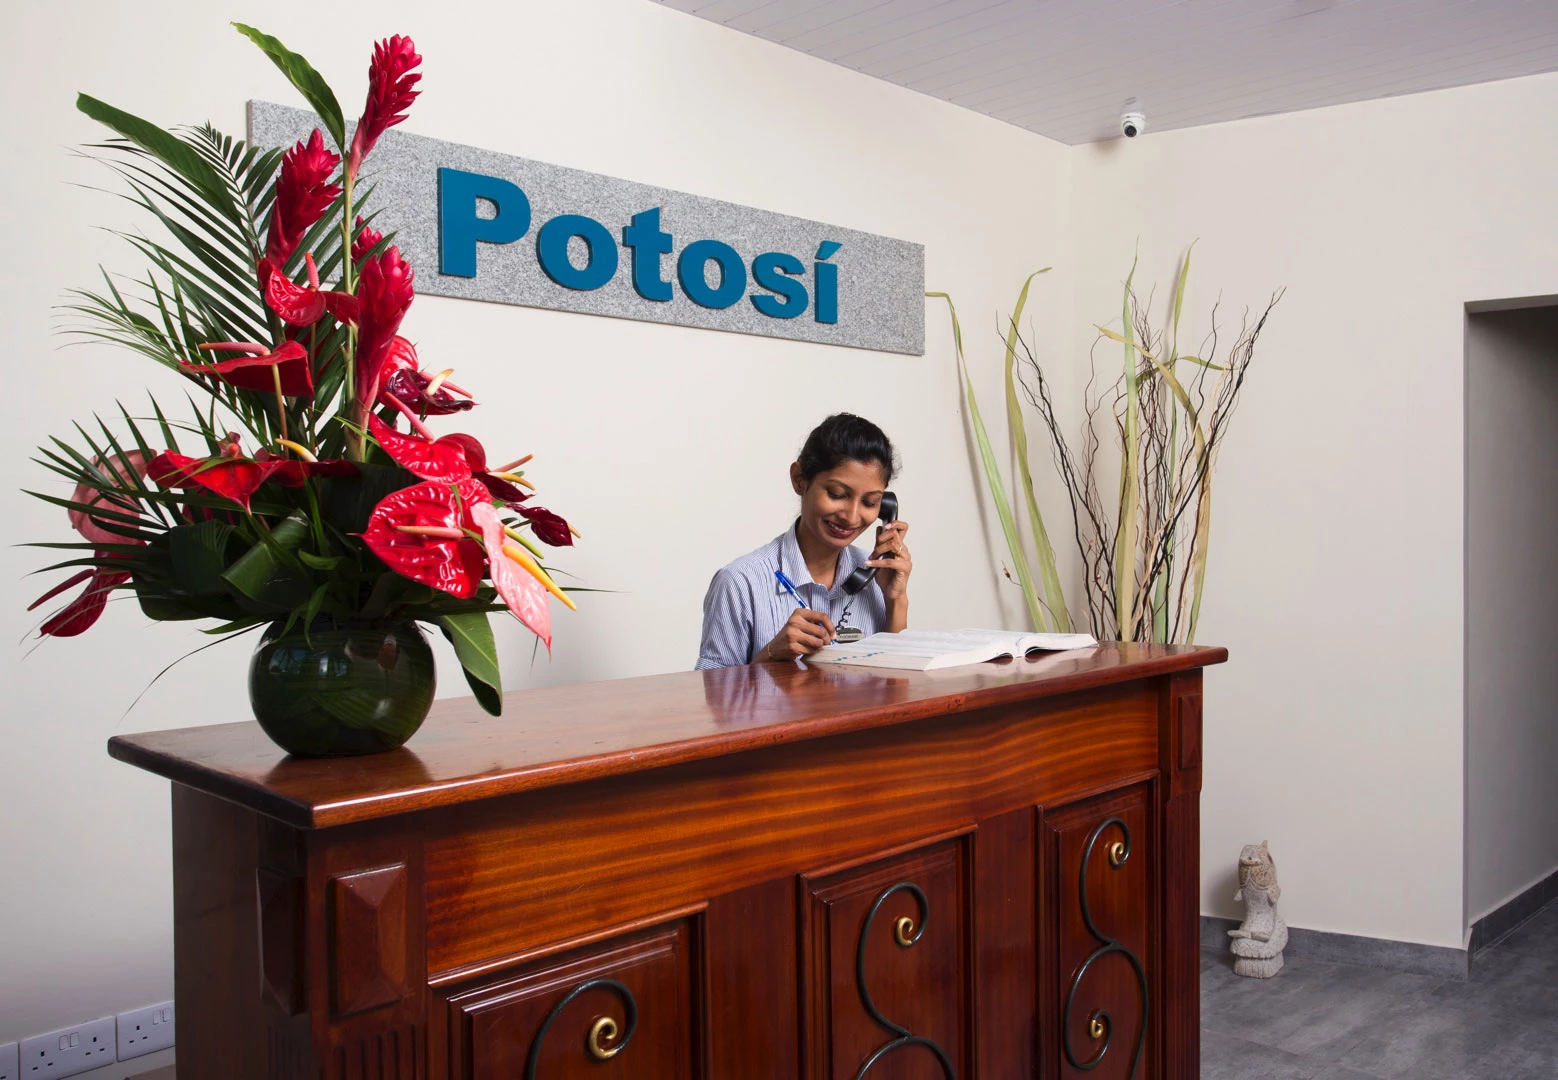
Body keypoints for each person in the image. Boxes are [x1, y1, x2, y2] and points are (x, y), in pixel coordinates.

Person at [696, 413, 912, 669]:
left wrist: (895, 599)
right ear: (800, 479)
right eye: (837, 494)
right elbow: (714, 700)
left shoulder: (876, 576)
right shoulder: (740, 582)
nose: (852, 517)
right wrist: (771, 655)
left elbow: (897, 691)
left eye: (870, 502)